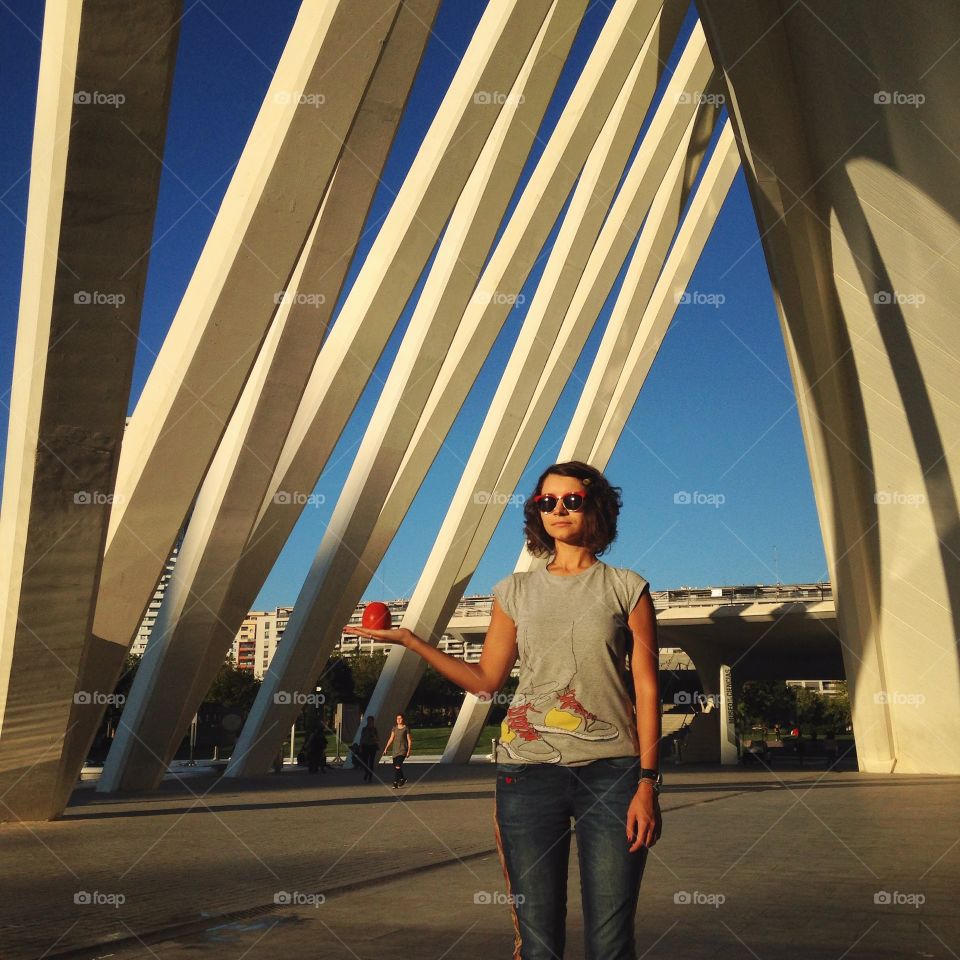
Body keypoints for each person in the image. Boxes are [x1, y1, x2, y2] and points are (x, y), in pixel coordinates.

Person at [344, 461, 661, 959]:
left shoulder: (627, 588)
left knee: (611, 941)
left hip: (613, 774)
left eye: (571, 500)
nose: (558, 509)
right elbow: (486, 681)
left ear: (595, 507)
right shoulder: (513, 591)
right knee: (537, 942)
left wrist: (647, 782)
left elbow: (646, 688)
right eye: (546, 502)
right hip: (527, 776)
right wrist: (408, 640)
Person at [383, 713, 413, 789]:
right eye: (397, 718)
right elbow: (391, 738)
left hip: (403, 750)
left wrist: (409, 750)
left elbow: (409, 740)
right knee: (396, 767)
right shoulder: (394, 728)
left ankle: (395, 782)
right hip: (395, 750)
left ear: (403, 719)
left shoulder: (406, 728)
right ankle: (402, 778)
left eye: (400, 718)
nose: (398, 720)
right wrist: (386, 748)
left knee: (397, 766)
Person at [358, 715, 379, 783]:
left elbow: (377, 739)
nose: (369, 722)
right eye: (368, 720)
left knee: (371, 762)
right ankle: (366, 772)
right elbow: (361, 739)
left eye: (370, 720)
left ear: (373, 721)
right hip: (365, 746)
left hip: (372, 746)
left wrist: (373, 734)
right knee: (365, 761)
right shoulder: (364, 729)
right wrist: (360, 747)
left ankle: (370, 777)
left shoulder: (375, 729)